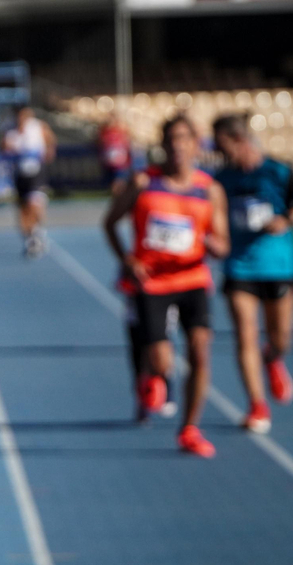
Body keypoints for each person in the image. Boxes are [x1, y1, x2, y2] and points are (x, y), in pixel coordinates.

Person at [103, 115, 228, 457]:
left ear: (195, 143)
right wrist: (128, 260)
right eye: (171, 139)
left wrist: (214, 244)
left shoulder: (209, 189)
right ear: (163, 145)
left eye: (184, 139)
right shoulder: (143, 182)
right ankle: (153, 375)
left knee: (200, 351)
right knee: (161, 361)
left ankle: (189, 429)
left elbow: (222, 242)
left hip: (192, 279)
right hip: (153, 282)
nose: (177, 146)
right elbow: (110, 222)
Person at [210, 114, 293, 433]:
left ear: (239, 141)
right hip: (239, 265)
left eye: (222, 146)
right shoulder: (221, 179)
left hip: (278, 266)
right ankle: (257, 405)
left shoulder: (278, 171)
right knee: (245, 333)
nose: (219, 153)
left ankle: (273, 358)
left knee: (279, 336)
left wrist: (284, 220)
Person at [3, 105, 56, 258]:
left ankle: (38, 232)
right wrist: (7, 147)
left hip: (36, 172)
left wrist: (50, 149)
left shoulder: (37, 127)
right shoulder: (10, 130)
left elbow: (50, 138)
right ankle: (30, 237)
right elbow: (2, 147)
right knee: (23, 209)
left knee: (35, 204)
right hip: (20, 174)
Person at [99, 113, 132, 189]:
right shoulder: (105, 132)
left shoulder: (121, 132)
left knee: (119, 181)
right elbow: (101, 144)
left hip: (120, 162)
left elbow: (126, 144)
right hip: (109, 162)